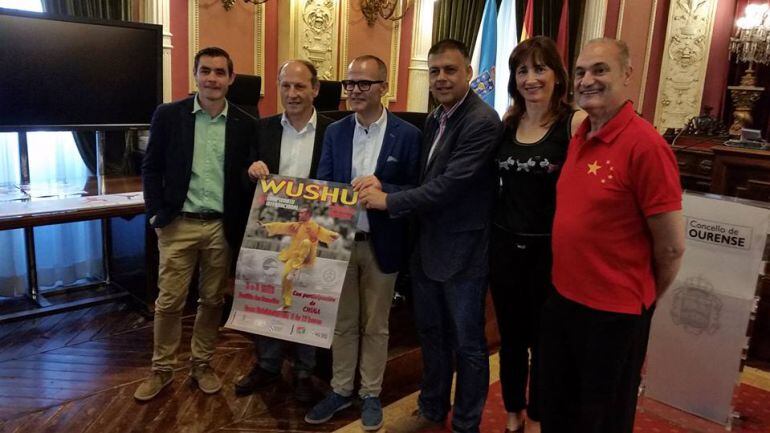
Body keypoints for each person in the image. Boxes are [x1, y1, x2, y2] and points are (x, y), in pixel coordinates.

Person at [539, 38, 685, 433]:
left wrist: (641, 296)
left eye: (600, 70)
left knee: (600, 420)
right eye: (582, 71)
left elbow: (671, 247)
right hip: (563, 299)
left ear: (626, 74)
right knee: (556, 408)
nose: (587, 80)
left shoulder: (646, 146)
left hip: (613, 315)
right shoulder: (580, 134)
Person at [360, 39, 502, 433]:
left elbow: (449, 186)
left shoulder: (482, 121)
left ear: (469, 74)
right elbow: (424, 180)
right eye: (435, 70)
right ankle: (432, 405)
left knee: (468, 347)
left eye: (450, 70)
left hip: (462, 254)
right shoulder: (436, 117)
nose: (441, 78)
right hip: (426, 249)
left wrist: (387, 201)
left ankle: (466, 423)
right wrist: (383, 183)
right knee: (432, 336)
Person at [304, 55, 421, 431]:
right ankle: (340, 389)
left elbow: (417, 192)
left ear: (383, 88)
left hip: (382, 243)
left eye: (363, 83)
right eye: (349, 83)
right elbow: (321, 184)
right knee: (342, 323)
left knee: (376, 324)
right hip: (340, 242)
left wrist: (384, 189)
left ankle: (370, 393)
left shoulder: (408, 135)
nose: (353, 90)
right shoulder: (335, 131)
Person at [136, 47, 258, 401]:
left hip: (221, 227)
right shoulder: (169, 115)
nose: (213, 79)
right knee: (169, 301)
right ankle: (161, 370)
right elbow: (151, 167)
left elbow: (247, 174)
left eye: (220, 72)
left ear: (231, 79)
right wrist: (157, 214)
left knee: (212, 301)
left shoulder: (246, 123)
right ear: (195, 74)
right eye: (206, 71)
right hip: (178, 224)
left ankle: (201, 364)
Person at [490, 36, 586, 433]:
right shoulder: (508, 123)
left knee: (546, 345)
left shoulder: (574, 124)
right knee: (511, 341)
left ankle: (538, 417)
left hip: (551, 254)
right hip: (505, 248)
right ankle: (513, 412)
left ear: (558, 76)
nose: (530, 78)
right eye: (523, 70)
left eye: (540, 68)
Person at [235, 60, 334, 403]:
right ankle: (268, 365)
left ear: (315, 89)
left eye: (300, 86)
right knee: (267, 298)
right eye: (286, 86)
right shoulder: (262, 128)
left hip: (314, 230)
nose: (292, 94)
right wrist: (251, 169)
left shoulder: (333, 130)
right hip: (270, 229)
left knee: (307, 300)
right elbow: (242, 173)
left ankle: (305, 372)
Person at [261, 206, 340, 308]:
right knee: (285, 275)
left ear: (308, 215)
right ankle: (287, 303)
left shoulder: (315, 226)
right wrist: (266, 225)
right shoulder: (296, 226)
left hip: (308, 255)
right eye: (299, 213)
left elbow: (325, 233)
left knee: (306, 242)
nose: (299, 214)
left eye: (302, 213)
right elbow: (281, 226)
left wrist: (334, 234)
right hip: (295, 256)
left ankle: (294, 270)